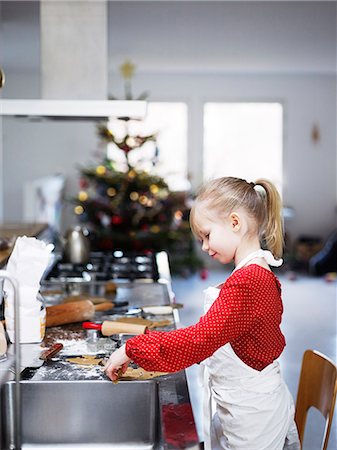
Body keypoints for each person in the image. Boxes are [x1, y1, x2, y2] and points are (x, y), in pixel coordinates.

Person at [104, 176, 300, 450]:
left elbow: (199, 342)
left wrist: (132, 349)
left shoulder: (248, 283)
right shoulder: (250, 274)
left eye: (207, 235)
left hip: (253, 420)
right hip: (241, 409)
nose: (205, 246)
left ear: (235, 222)